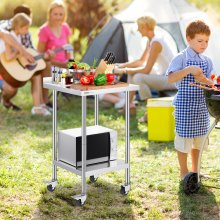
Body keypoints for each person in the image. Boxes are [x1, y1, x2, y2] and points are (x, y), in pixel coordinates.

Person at [166, 20, 214, 181]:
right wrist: (188, 70)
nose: (204, 44)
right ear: (189, 39)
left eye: (206, 41)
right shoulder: (181, 57)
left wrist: (206, 81)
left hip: (201, 106)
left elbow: (210, 82)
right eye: (200, 41)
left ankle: (196, 170)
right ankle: (183, 172)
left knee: (199, 140)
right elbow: (170, 78)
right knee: (184, 140)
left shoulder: (207, 61)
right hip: (185, 106)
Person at [114, 15, 177, 119]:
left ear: (144, 27)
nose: (138, 30)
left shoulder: (156, 42)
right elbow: (141, 61)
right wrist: (121, 65)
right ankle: (129, 106)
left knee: (138, 77)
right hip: (163, 76)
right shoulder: (151, 41)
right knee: (133, 74)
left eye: (139, 27)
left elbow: (146, 69)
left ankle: (150, 112)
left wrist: (123, 70)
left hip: (171, 80)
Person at [0, 13, 51, 116]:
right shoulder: (11, 36)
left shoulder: (18, 37)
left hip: (11, 66)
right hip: (5, 68)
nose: (28, 31)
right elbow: (9, 56)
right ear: (19, 27)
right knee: (12, 89)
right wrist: (19, 52)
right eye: (26, 28)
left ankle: (38, 106)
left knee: (36, 74)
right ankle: (38, 106)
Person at [37, 0, 73, 105]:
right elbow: (40, 56)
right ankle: (46, 100)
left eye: (61, 14)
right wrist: (61, 64)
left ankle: (70, 88)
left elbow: (69, 48)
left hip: (65, 67)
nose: (58, 17)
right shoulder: (44, 30)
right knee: (50, 69)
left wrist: (71, 62)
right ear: (50, 14)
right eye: (55, 14)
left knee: (81, 71)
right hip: (50, 67)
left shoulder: (65, 27)